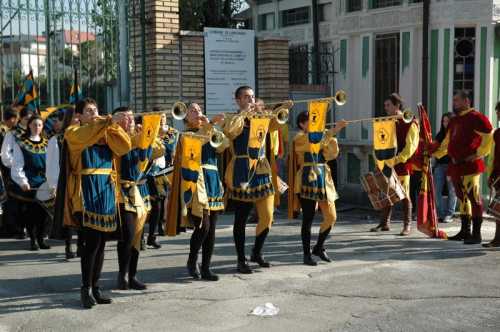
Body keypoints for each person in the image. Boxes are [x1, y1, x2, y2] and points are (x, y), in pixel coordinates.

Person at [64, 98, 131, 308]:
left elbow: (125, 146)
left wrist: (115, 126)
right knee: (91, 243)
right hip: (87, 190)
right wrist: (108, 119)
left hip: (106, 191)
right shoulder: (73, 132)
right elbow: (85, 135)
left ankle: (96, 287)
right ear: (80, 116)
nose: (95, 114)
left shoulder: (105, 130)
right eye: (89, 111)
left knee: (102, 244)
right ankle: (85, 289)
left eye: (96, 110)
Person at [222, 86, 280, 274]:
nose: (251, 100)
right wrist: (243, 114)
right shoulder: (233, 118)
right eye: (247, 97)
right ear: (238, 100)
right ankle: (240, 259)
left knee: (268, 216)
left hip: (262, 170)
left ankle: (257, 252)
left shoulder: (260, 118)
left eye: (253, 96)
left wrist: (282, 109)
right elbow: (230, 132)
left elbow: (277, 124)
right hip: (242, 170)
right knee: (241, 219)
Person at [167, 103, 227, 281]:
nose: (197, 113)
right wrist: (209, 126)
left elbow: (224, 145)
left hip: (212, 180)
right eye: (193, 111)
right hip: (196, 181)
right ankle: (192, 261)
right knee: (203, 226)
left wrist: (214, 126)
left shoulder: (208, 130)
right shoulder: (186, 134)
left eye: (199, 110)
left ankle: (207, 267)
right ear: (185, 116)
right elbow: (196, 144)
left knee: (212, 229)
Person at [432, 90, 493, 244]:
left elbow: (489, 136)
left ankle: (477, 234)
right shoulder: (454, 121)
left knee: (474, 198)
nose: (454, 103)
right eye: (453, 100)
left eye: (457, 100)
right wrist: (433, 151)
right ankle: (465, 231)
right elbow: (446, 143)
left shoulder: (476, 118)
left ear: (467, 101)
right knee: (462, 199)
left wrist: (478, 154)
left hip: (470, 166)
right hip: (456, 167)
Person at [116, 107, 164, 291]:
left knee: (137, 235)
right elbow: (124, 147)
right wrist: (140, 137)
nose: (129, 120)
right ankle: (123, 275)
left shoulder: (138, 136)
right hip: (122, 188)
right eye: (125, 117)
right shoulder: (116, 136)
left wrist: (149, 134)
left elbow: (159, 151)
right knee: (127, 235)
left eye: (131, 117)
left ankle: (133, 274)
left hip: (140, 188)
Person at [289, 111, 346, 265]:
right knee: (308, 218)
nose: (316, 124)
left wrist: (332, 136)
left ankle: (319, 247)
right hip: (307, 177)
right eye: (311, 121)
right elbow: (313, 144)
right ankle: (306, 254)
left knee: (331, 216)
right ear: (302, 123)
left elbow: (331, 154)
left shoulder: (321, 136)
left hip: (323, 177)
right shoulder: (299, 137)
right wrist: (333, 130)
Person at [370, 93, 419, 235]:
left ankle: (407, 225)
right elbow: (379, 144)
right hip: (386, 164)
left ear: (397, 105)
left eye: (388, 105)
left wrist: (397, 159)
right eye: (385, 105)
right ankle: (384, 223)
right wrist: (379, 161)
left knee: (404, 194)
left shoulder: (409, 121)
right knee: (386, 193)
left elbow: (411, 146)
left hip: (402, 164)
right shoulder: (385, 122)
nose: (386, 108)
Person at [46, 107, 83, 259]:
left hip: (83, 180)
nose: (78, 119)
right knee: (68, 214)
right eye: (75, 117)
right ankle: (68, 246)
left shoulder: (87, 136)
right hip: (66, 180)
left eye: (79, 117)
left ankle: (82, 245)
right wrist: (53, 185)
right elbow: (52, 164)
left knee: (82, 214)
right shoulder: (57, 140)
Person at [10, 115, 51, 250]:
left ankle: (41, 238)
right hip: (30, 181)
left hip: (44, 182)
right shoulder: (22, 143)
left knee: (43, 213)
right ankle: (33, 239)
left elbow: (52, 164)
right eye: (34, 125)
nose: (37, 127)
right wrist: (22, 181)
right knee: (31, 213)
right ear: (29, 126)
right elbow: (17, 164)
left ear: (42, 127)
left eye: (39, 125)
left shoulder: (47, 143)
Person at [146, 111, 178, 248]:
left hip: (162, 172)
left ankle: (154, 232)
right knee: (151, 206)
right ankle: (144, 235)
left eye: (163, 117)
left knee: (159, 204)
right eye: (159, 118)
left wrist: (163, 134)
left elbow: (169, 148)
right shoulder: (149, 132)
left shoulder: (170, 133)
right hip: (148, 173)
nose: (162, 120)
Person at [1, 107, 35, 239]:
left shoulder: (35, 131)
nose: (29, 121)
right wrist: (15, 165)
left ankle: (35, 230)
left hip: (34, 173)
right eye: (27, 118)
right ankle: (18, 229)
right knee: (17, 202)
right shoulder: (13, 133)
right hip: (16, 172)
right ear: (21, 118)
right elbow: (5, 154)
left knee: (33, 202)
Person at [433, 112, 457, 223]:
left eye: (447, 121)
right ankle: (441, 213)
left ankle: (450, 213)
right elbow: (433, 148)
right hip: (439, 166)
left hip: (451, 165)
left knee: (452, 190)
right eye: (443, 121)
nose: (445, 123)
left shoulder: (455, 134)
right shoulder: (439, 134)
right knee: (437, 190)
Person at [0, 107, 18, 236]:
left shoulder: (14, 133)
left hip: (12, 169)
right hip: (6, 169)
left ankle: (13, 227)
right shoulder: (7, 132)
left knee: (12, 199)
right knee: (8, 199)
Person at [484, 101, 500, 247]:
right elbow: (495, 157)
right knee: (498, 210)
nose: (498, 115)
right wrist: (491, 175)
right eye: (497, 113)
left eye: (499, 112)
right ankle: (497, 239)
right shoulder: (497, 134)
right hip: (499, 176)